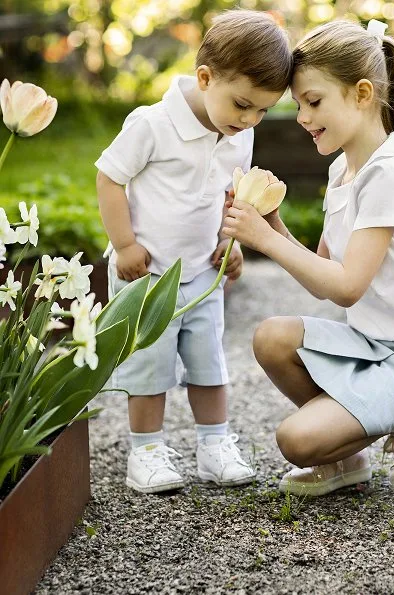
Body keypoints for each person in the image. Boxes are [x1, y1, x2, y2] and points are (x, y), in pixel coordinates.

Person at [222, 19, 394, 496]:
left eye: (313, 101)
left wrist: (266, 240)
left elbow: (347, 286)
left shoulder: (390, 174)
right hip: (374, 347)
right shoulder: (343, 169)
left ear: (361, 94)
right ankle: (347, 457)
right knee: (272, 338)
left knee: (294, 438)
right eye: (298, 105)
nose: (301, 116)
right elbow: (323, 275)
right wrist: (272, 226)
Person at [95, 10, 293, 494]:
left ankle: (214, 445)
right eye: (243, 105)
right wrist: (124, 244)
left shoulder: (237, 134)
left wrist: (228, 241)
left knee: (209, 362)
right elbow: (109, 177)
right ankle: (145, 451)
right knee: (149, 365)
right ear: (205, 78)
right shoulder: (153, 124)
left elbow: (231, 195)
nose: (249, 121)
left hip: (203, 270)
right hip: (146, 272)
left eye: (263, 111)